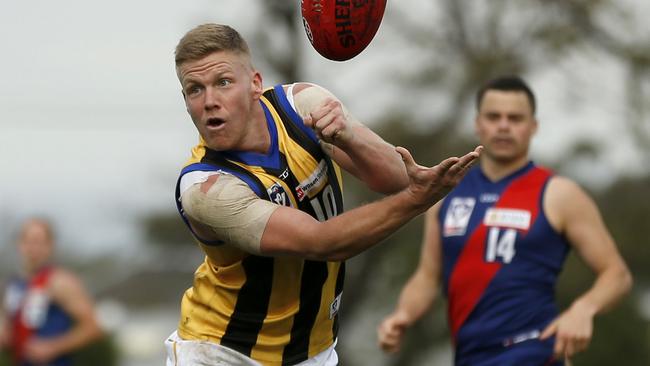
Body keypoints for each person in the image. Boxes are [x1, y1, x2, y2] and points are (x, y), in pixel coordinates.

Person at [166, 23, 481, 366]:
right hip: (223, 353)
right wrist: (418, 199)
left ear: (255, 84)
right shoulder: (206, 188)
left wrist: (347, 138)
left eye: (223, 83)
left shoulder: (301, 105)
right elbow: (323, 243)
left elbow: (396, 177)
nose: (210, 101)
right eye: (195, 89)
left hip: (312, 351)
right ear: (186, 101)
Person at [377, 75, 633, 365]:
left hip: (536, 354)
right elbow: (427, 276)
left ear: (533, 126)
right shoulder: (448, 195)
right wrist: (403, 315)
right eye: (493, 116)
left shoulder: (559, 194)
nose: (503, 125)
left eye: (515, 118)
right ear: (478, 123)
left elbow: (617, 274)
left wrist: (584, 309)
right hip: (469, 357)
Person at [0, 218, 103, 366]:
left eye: (39, 242)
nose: (33, 248)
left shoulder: (60, 281)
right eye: (29, 241)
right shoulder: (12, 284)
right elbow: (9, 324)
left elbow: (93, 328)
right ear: (19, 244)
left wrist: (53, 347)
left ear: (50, 246)